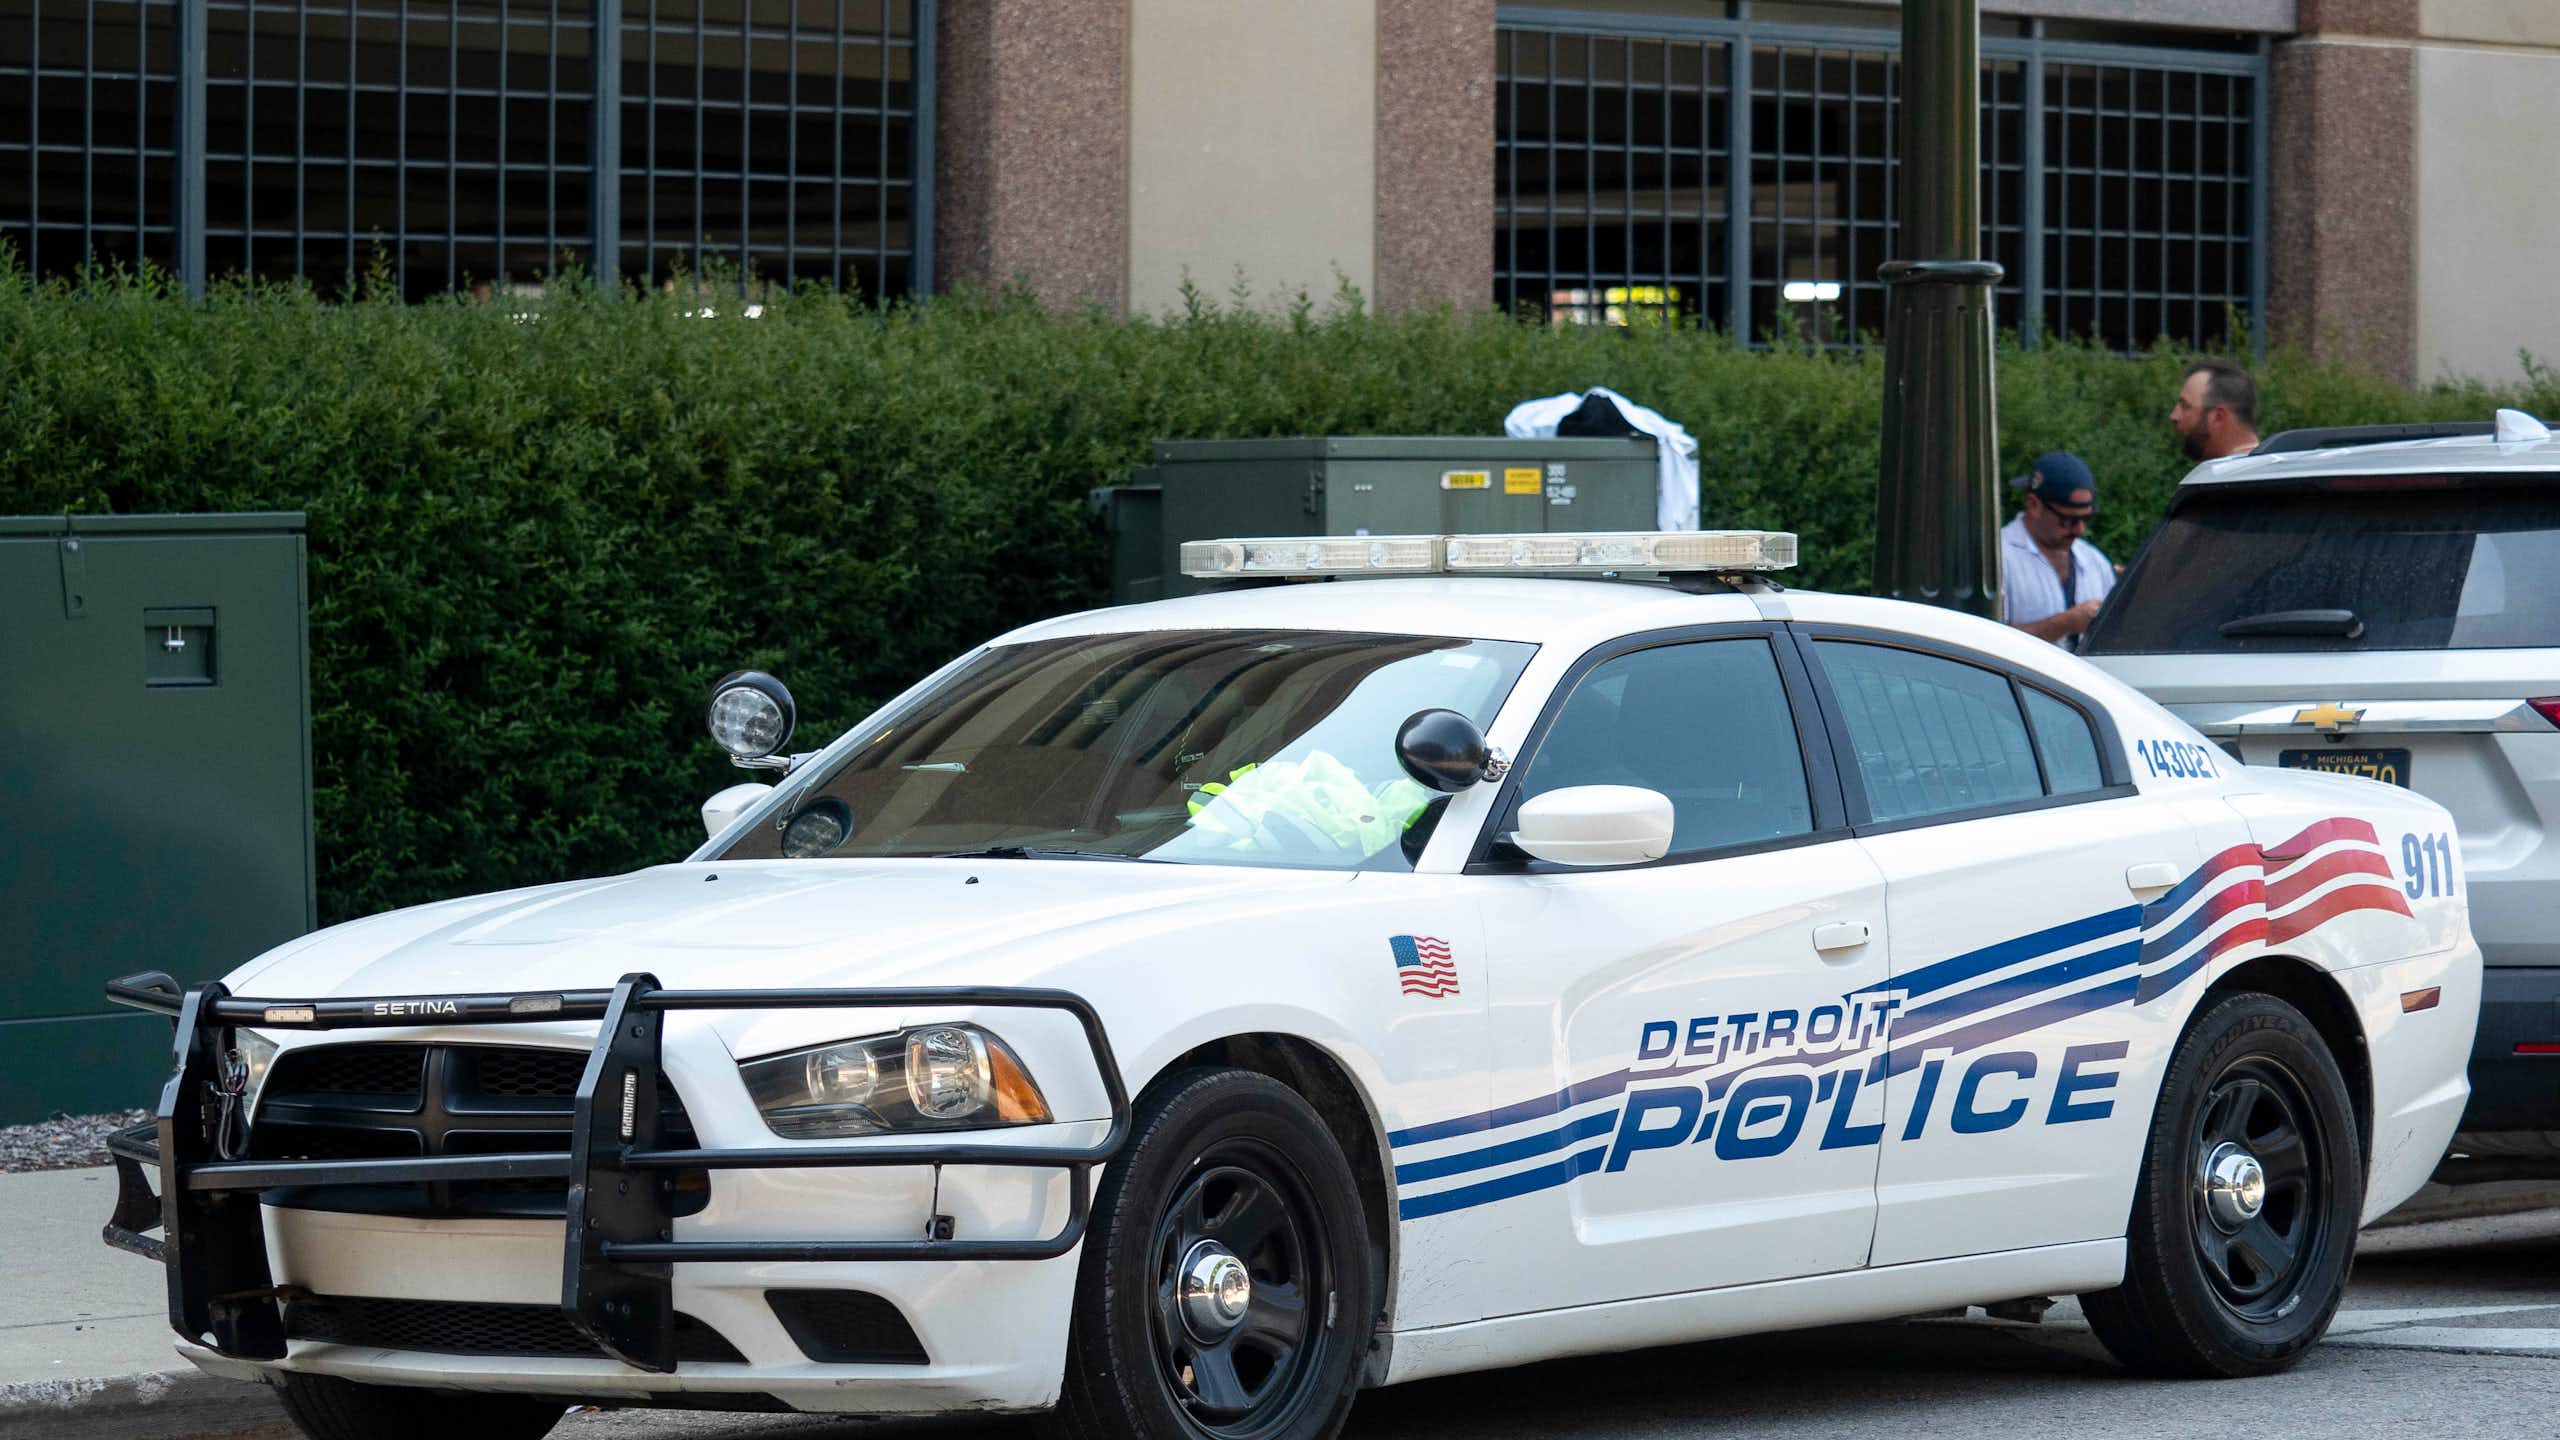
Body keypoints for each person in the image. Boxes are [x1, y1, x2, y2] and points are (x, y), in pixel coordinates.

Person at [2000, 451, 2114, 650]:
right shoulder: (2001, 558)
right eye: (2068, 520)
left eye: (2086, 519)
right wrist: (2064, 624)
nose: (2080, 530)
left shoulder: (2095, 561)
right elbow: (1985, 643)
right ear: (2034, 505)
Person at [2172, 358, 2261, 461]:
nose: (2174, 416)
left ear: (2218, 417)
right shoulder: (2275, 469)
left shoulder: (2222, 475)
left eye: (2185, 406)